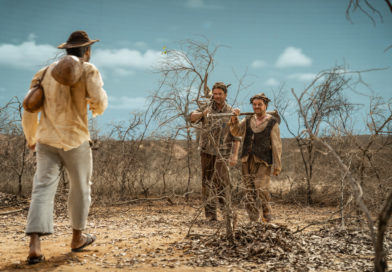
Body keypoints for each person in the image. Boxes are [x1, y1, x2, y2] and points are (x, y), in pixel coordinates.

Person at [22, 30, 108, 264]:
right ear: (87, 51)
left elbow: (29, 107)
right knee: (80, 188)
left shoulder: (44, 73)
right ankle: (77, 238)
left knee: (42, 189)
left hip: (46, 140)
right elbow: (99, 101)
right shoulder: (89, 69)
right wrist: (95, 106)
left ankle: (35, 245)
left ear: (66, 50)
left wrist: (31, 137)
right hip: (76, 139)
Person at [190, 82, 241, 221]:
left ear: (225, 95)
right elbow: (192, 117)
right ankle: (210, 216)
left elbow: (237, 135)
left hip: (223, 153)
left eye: (220, 94)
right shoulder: (207, 107)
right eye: (215, 94)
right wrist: (202, 113)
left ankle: (226, 214)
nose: (217, 96)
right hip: (206, 151)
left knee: (222, 183)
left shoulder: (231, 111)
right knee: (207, 183)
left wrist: (234, 155)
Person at [229, 93, 281, 223]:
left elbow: (276, 145)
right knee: (249, 189)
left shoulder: (272, 122)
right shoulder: (247, 120)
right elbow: (236, 132)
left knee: (261, 187)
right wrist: (234, 119)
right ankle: (253, 219)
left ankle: (266, 214)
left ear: (265, 106)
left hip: (263, 161)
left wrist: (277, 165)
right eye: (254, 104)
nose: (257, 107)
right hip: (247, 159)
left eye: (260, 104)